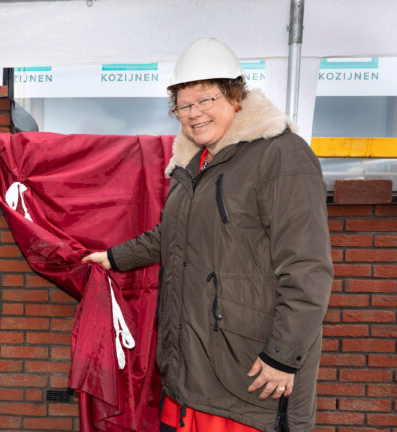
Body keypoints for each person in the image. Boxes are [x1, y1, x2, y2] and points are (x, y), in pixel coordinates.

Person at [83, 37, 332, 432]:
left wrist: (283, 356)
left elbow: (307, 268)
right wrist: (113, 258)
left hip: (251, 375)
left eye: (206, 99)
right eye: (183, 105)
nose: (193, 113)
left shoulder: (281, 155)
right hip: (189, 371)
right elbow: (172, 235)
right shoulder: (192, 164)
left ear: (236, 98)